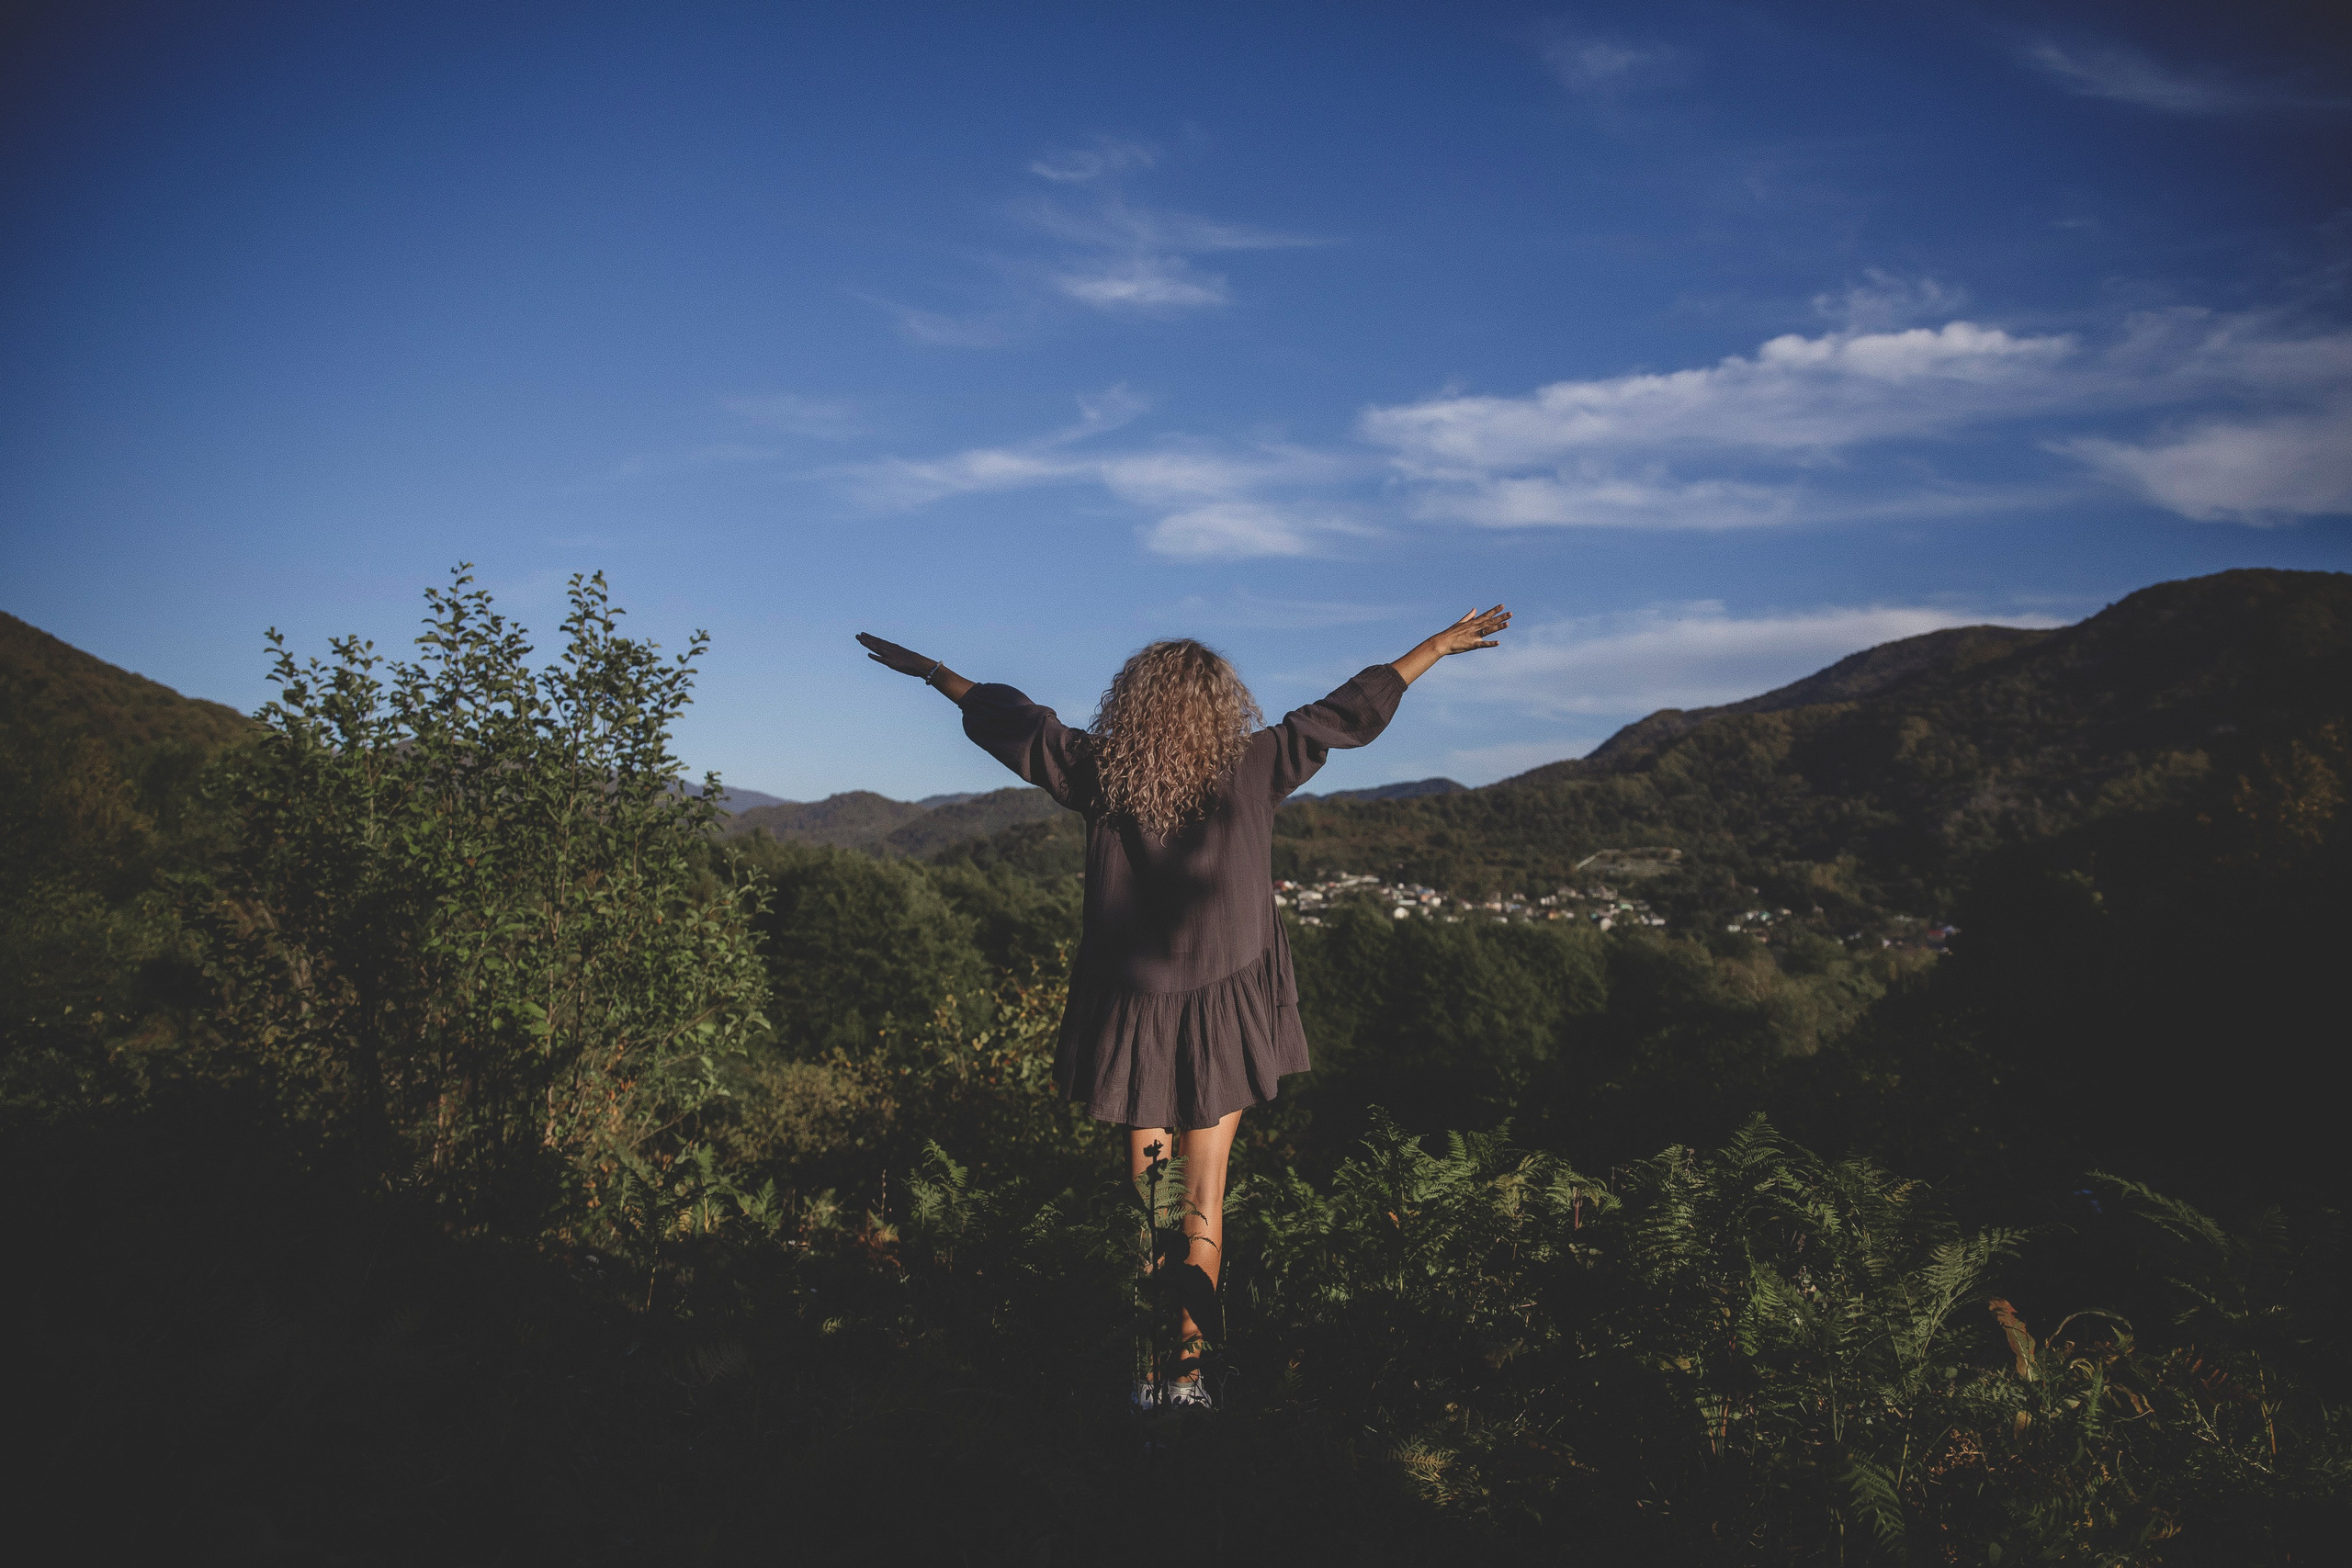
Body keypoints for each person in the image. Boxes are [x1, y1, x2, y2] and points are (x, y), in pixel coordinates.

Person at [855, 606, 1511, 1407]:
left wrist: (934, 674)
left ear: (1135, 702)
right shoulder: (1258, 760)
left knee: (1148, 1208)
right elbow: (1349, 711)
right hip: (1224, 1014)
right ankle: (1188, 1381)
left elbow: (1018, 723)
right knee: (1202, 1202)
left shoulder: (1100, 769)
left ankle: (1144, 1376)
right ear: (1219, 704)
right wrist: (1436, 646)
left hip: (1133, 1015)